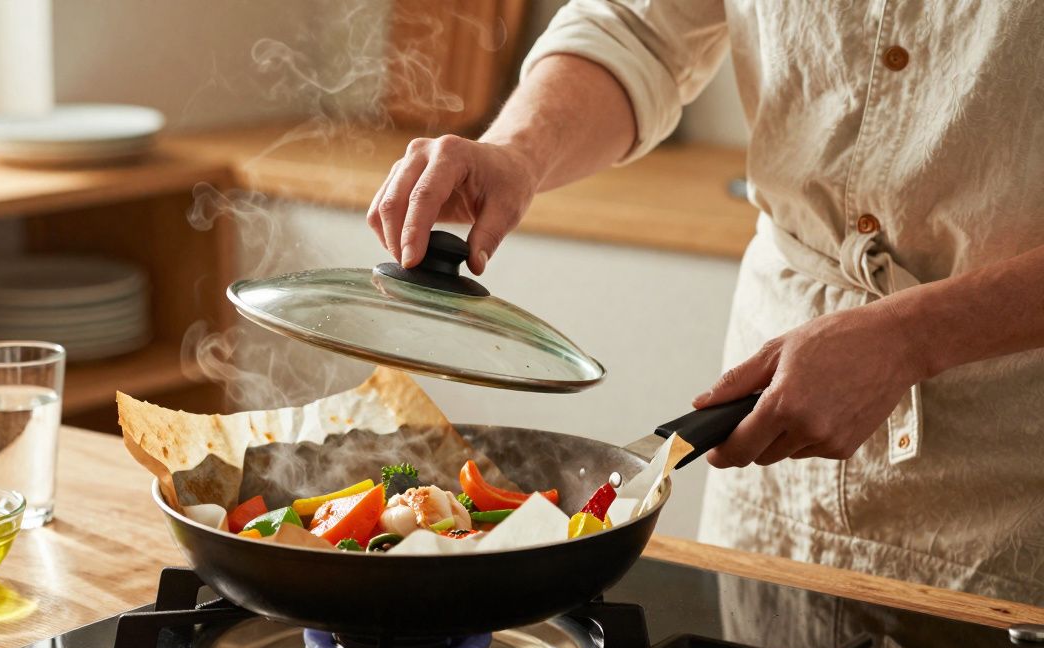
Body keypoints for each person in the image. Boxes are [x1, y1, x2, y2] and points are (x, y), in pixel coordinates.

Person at [365, 1, 1044, 605]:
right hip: (778, 452)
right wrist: (517, 150)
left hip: (1011, 474)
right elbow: (638, 28)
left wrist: (911, 337)